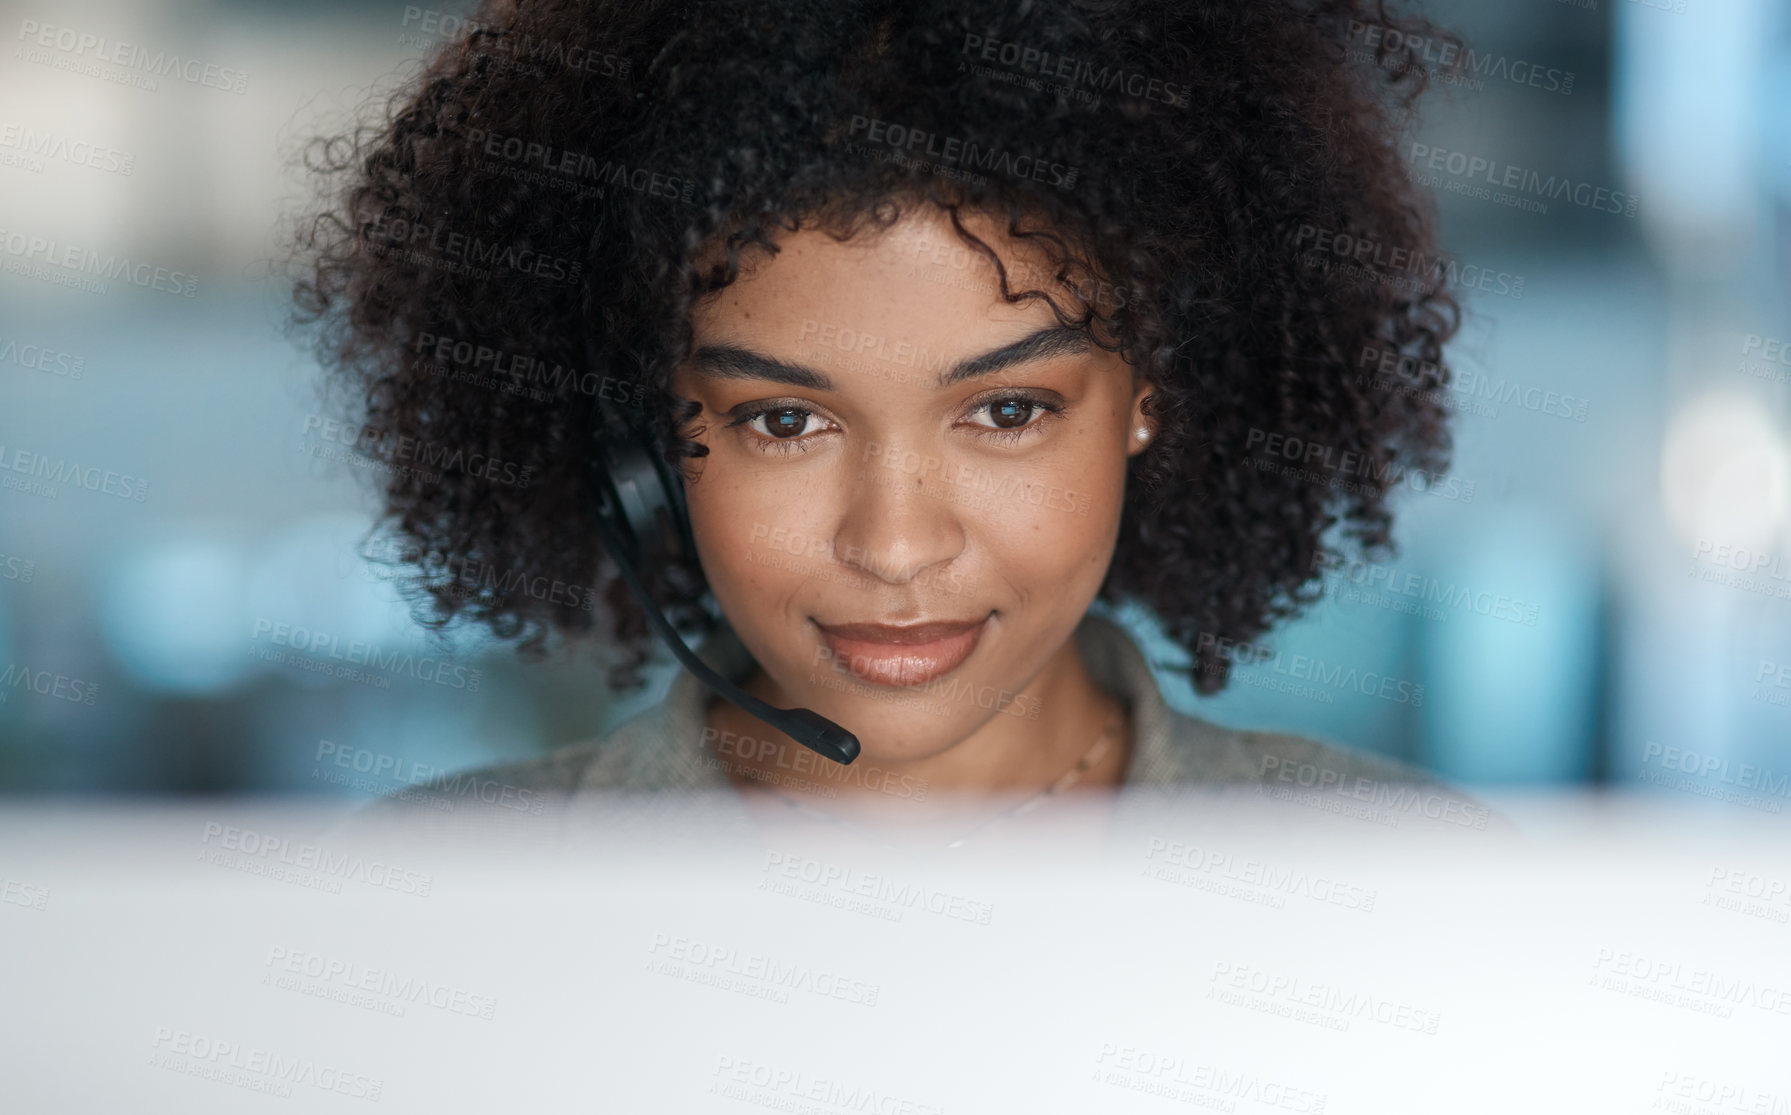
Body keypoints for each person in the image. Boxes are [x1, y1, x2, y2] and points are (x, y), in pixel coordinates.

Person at [294, 0, 1486, 845]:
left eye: (1008, 409)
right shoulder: (439, 895)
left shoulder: (1405, 885)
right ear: (649, 429)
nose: (898, 544)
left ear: (1151, 391)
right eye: (783, 421)